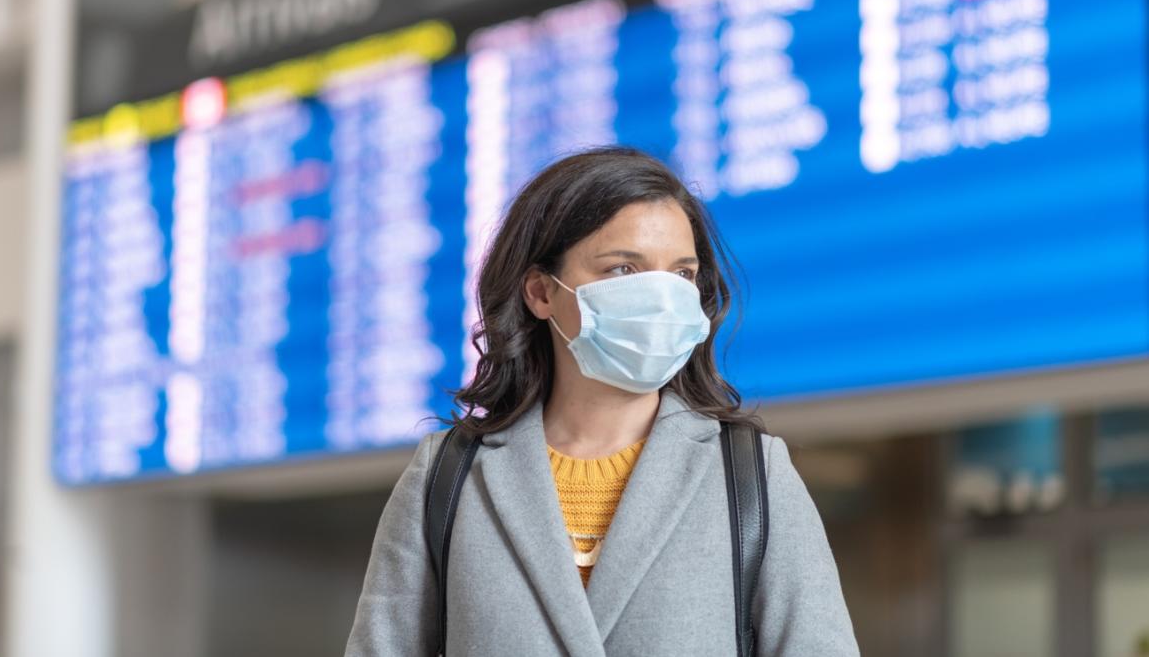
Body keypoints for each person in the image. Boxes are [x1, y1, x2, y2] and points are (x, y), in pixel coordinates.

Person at [345, 146, 860, 656]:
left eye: (681, 274)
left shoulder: (752, 475)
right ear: (541, 293)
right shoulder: (447, 476)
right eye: (623, 270)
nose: (661, 297)